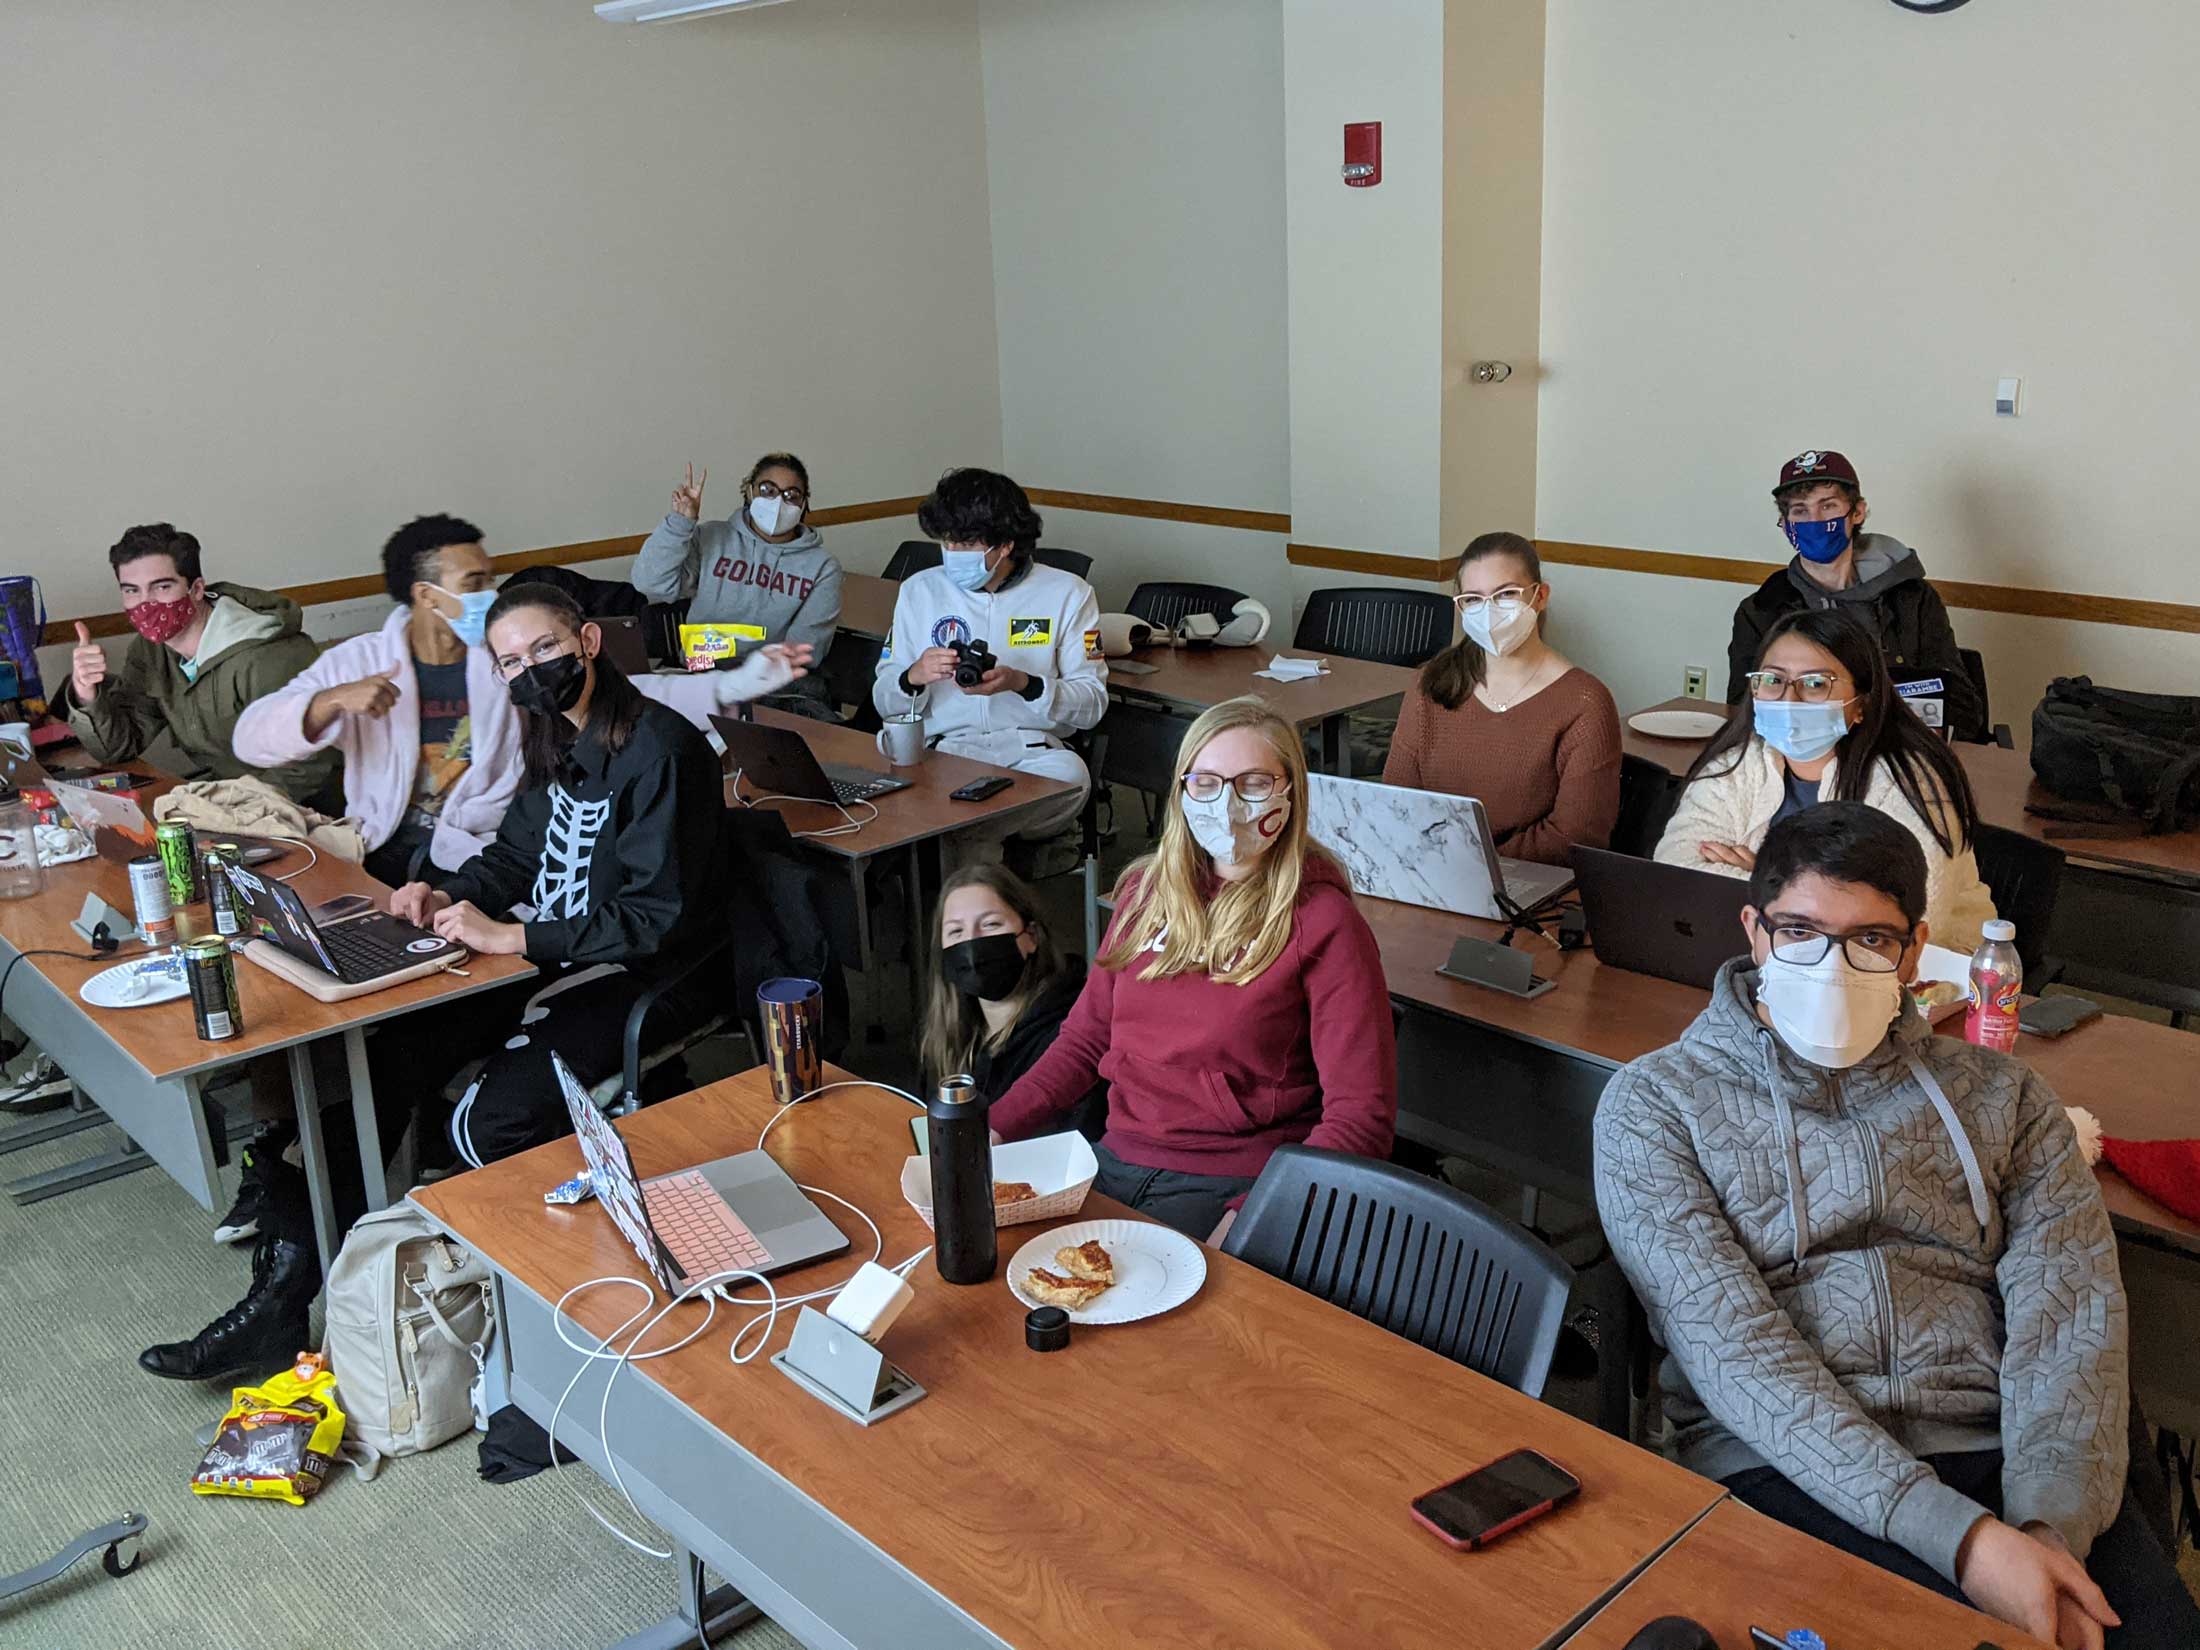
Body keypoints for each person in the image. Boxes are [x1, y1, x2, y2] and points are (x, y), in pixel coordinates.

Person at [1596, 804, 2199, 1650]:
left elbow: (2071, 1319)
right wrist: (1963, 1545)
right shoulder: (1657, 1105)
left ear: (1914, 950)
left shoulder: (2007, 1100)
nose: (1831, 967)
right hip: (1778, 1466)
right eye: (1800, 930)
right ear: (1755, 931)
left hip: (1998, 1449)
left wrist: (2047, 1530)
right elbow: (1732, 1352)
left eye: (1870, 940)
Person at [138, 585, 737, 1381]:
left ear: (590, 641)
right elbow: (516, 856)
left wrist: (515, 934)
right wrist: (454, 898)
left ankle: (541, 1308)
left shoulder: (661, 749)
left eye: (546, 652)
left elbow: (657, 916)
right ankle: (279, 1302)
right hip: (548, 956)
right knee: (388, 1062)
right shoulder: (552, 735)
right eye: (511, 662)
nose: (530, 673)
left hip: (641, 975)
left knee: (484, 1122)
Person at [989, 698, 1396, 1243]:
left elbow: (1360, 1116)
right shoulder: (1145, 892)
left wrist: (1257, 1213)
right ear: (1182, 791)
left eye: (1252, 783)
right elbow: (1085, 1041)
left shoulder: (1324, 923)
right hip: (1114, 1158)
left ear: (1290, 793)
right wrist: (993, 1126)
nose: (1226, 805)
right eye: (1205, 783)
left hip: (1235, 1180)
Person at [235, 515, 807, 890]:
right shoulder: (362, 661)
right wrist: (329, 703)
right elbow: (252, 737)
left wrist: (731, 684)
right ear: (426, 596)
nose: (490, 595)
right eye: (474, 583)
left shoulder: (507, 656)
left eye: (491, 580)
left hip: (483, 854)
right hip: (380, 848)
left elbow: (624, 691)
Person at [1657, 608, 1996, 952]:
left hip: (1925, 981)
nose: (1789, 699)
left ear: (1861, 703)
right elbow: (1677, 874)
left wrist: (1767, 877)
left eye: (1816, 684)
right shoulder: (1739, 764)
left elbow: (1907, 921)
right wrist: (1819, 898)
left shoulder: (1911, 784)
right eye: (1773, 680)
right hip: (1759, 964)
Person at [872, 468, 1105, 858]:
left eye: (967, 542)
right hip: (946, 752)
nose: (953, 553)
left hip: (1030, 753)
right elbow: (883, 700)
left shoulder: (1068, 593)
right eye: (948, 541)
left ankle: (961, 833)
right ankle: (973, 838)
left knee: (1073, 779)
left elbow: (1093, 704)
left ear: (1005, 545)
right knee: (930, 794)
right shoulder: (920, 591)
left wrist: (1024, 684)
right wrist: (912, 678)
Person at [1381, 531, 1621, 865]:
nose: (1489, 611)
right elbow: (1396, 801)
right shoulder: (1431, 684)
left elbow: (1575, 837)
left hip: (1533, 887)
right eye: (1473, 599)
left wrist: (1473, 866)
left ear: (1540, 597)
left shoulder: (1585, 702)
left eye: (1506, 594)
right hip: (1431, 875)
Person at [57, 523, 339, 806]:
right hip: (231, 798)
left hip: (312, 808)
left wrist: (224, 812)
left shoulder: (266, 654)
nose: (146, 604)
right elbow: (118, 748)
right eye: (132, 591)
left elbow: (310, 769)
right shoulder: (150, 651)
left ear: (196, 589)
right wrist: (86, 694)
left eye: (162, 587)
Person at [1727, 450, 1984, 742]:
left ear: (1857, 512)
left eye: (1828, 506)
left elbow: (1961, 707)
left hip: (1900, 753)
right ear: (1785, 524)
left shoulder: (1913, 599)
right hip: (1801, 755)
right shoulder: (1762, 610)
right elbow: (1744, 709)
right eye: (1800, 510)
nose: (1815, 520)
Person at [631, 451, 841, 716]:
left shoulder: (821, 566)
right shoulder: (711, 537)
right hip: (700, 667)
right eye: (768, 490)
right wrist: (680, 524)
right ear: (750, 491)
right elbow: (650, 584)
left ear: (803, 504)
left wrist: (752, 673)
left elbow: (803, 649)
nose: (778, 502)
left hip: (771, 684)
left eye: (792, 495)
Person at [920, 865, 1103, 1138]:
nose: (972, 944)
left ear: (1031, 936)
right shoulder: (950, 1035)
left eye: (991, 924)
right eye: (956, 932)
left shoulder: (1068, 1034)